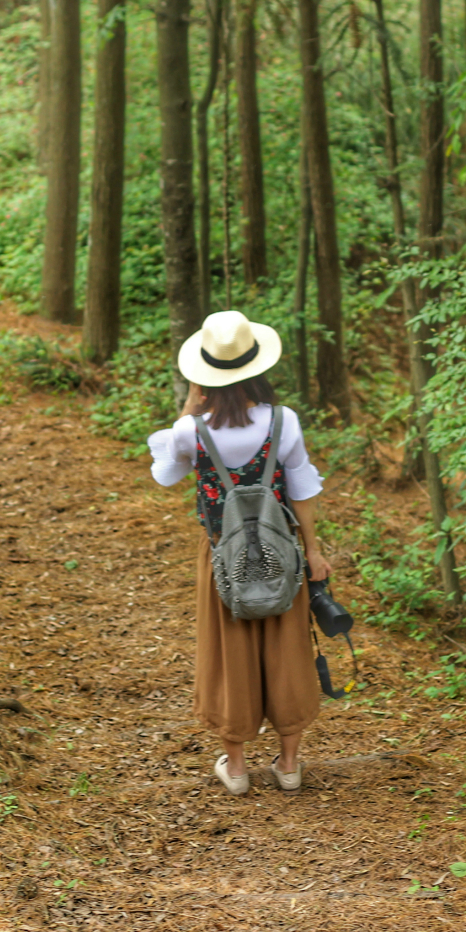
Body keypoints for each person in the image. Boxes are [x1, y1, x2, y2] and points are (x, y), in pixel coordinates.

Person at [147, 310, 331, 796]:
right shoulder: (283, 421)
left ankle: (237, 768)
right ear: (257, 367)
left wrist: (188, 408)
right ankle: (289, 765)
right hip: (281, 554)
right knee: (286, 649)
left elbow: (165, 474)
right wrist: (313, 551)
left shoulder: (192, 432)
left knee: (230, 654)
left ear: (205, 376)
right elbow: (302, 488)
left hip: (222, 558)